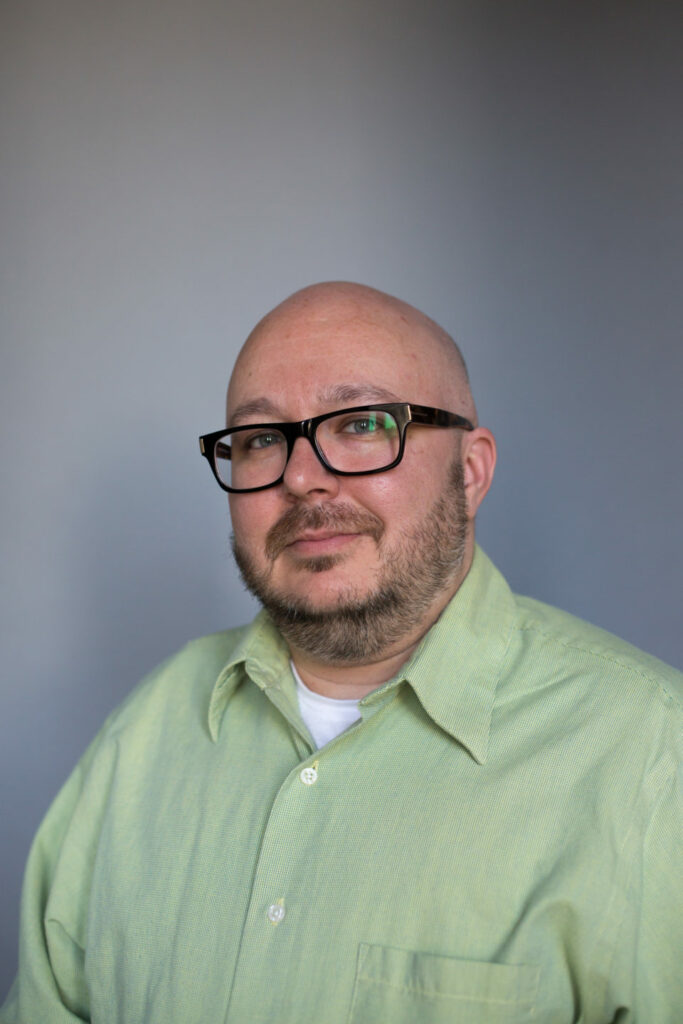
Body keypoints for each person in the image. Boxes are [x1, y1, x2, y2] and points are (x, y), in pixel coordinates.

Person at [2, 282, 681, 1023]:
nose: (300, 477)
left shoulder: (649, 759)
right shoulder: (144, 733)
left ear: (470, 470)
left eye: (360, 424)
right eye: (261, 440)